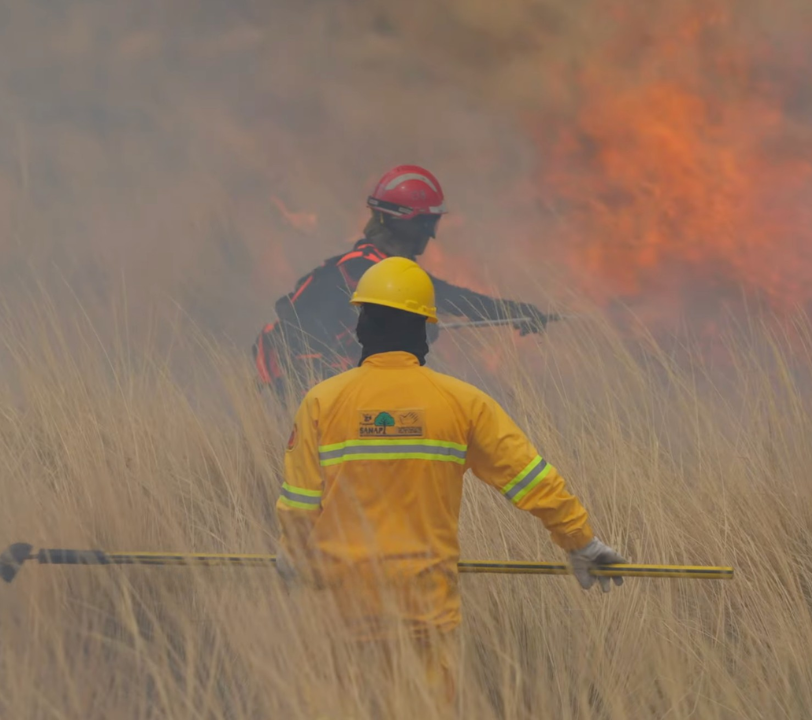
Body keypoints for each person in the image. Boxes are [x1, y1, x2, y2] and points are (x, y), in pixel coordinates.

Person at [274, 256, 626, 709]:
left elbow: (300, 502)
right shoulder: (463, 403)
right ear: (427, 329)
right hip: (425, 614)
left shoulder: (321, 402)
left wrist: (293, 553)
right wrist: (580, 542)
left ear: (361, 327)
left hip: (340, 614)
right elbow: (534, 482)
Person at [254, 165, 553, 395]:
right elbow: (453, 299)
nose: (431, 234)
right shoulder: (368, 272)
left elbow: (454, 298)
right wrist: (516, 313)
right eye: (427, 223)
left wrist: (515, 312)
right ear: (404, 223)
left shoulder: (367, 265)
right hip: (323, 398)